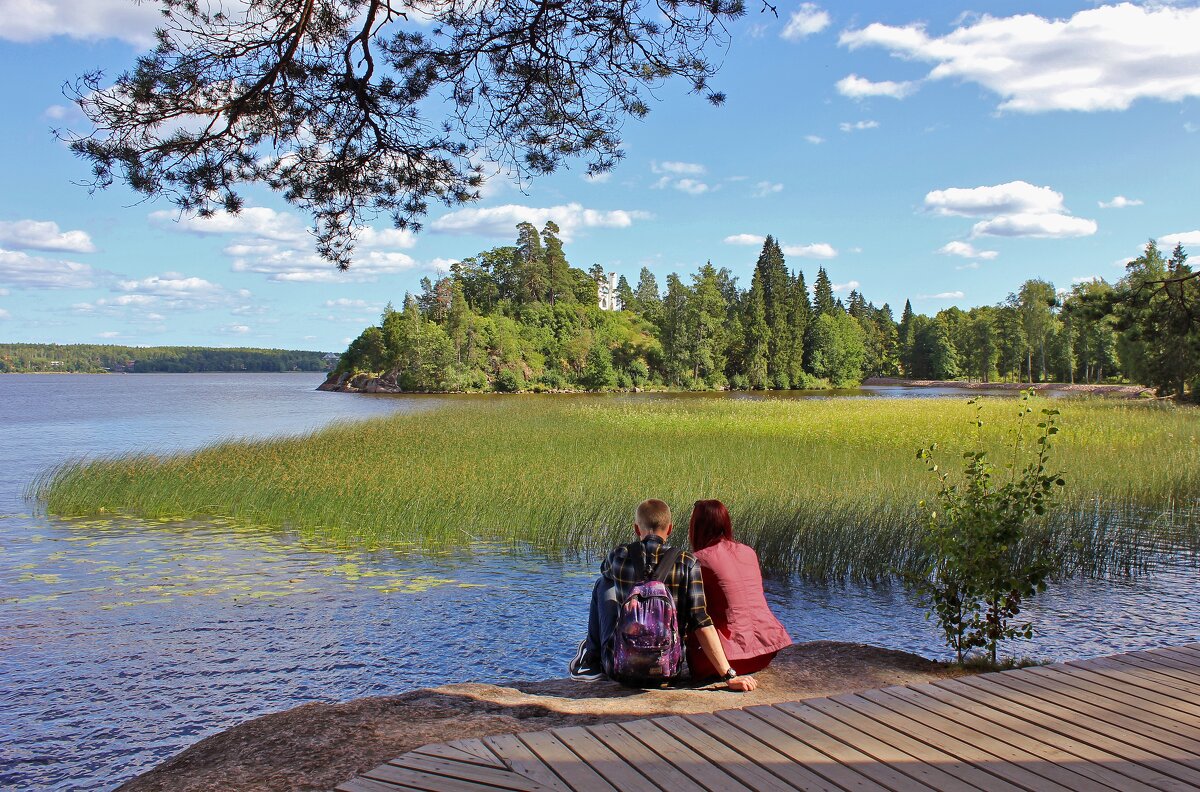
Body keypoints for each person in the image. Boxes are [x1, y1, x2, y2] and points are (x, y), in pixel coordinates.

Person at [569, 498, 758, 691]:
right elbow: (700, 620)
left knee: (603, 583)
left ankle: (591, 660)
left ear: (636, 529)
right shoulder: (687, 562)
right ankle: (596, 657)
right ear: (670, 529)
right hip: (667, 670)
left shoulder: (618, 555)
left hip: (619, 668)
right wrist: (729, 675)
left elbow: (606, 573)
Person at [685, 499, 792, 680]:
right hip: (763, 654)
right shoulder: (748, 552)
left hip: (721, 661)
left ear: (696, 527)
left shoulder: (698, 560)